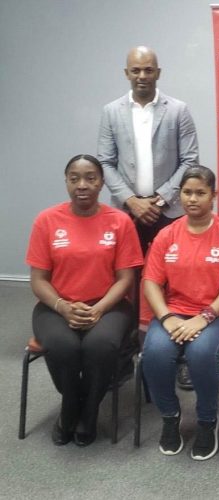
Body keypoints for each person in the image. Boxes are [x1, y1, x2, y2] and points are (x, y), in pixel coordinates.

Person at [26, 154, 143, 446]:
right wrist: (63, 307)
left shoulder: (120, 221)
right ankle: (71, 409)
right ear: (66, 182)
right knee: (63, 346)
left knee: (99, 346)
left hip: (110, 305)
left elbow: (125, 279)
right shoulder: (47, 220)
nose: (83, 184)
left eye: (91, 177)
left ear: (102, 183)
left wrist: (99, 308)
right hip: (55, 306)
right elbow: (39, 281)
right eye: (75, 178)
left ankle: (87, 413)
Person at [141, 166, 219, 460]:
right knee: (154, 352)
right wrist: (166, 318)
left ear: (213, 196)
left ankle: (207, 421)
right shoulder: (167, 235)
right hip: (174, 314)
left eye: (200, 193)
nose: (193, 199)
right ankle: (170, 416)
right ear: (180, 195)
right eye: (187, 192)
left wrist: (204, 318)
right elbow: (151, 282)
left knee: (201, 351)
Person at [97, 45, 199, 253]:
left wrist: (160, 199)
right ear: (127, 73)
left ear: (158, 73)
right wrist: (131, 200)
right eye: (136, 70)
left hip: (169, 211)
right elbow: (105, 162)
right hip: (127, 212)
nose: (142, 76)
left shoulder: (178, 110)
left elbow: (190, 161)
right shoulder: (111, 112)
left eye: (148, 70)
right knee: (128, 277)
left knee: (170, 276)